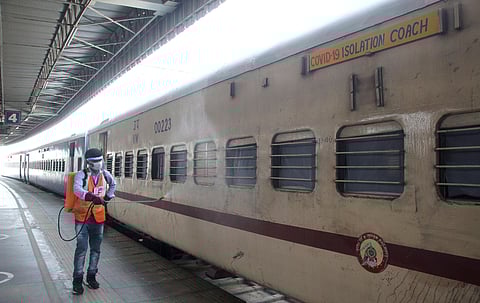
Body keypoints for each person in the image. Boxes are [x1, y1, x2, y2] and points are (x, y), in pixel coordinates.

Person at [71, 148, 116, 295]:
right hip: (82, 219)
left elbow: (113, 184)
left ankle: (91, 277)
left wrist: (108, 196)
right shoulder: (81, 175)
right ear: (89, 163)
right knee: (82, 250)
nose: (99, 163)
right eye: (95, 161)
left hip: (98, 219)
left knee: (96, 250)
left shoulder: (105, 175)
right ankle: (77, 280)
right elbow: (76, 189)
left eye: (100, 160)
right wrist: (90, 196)